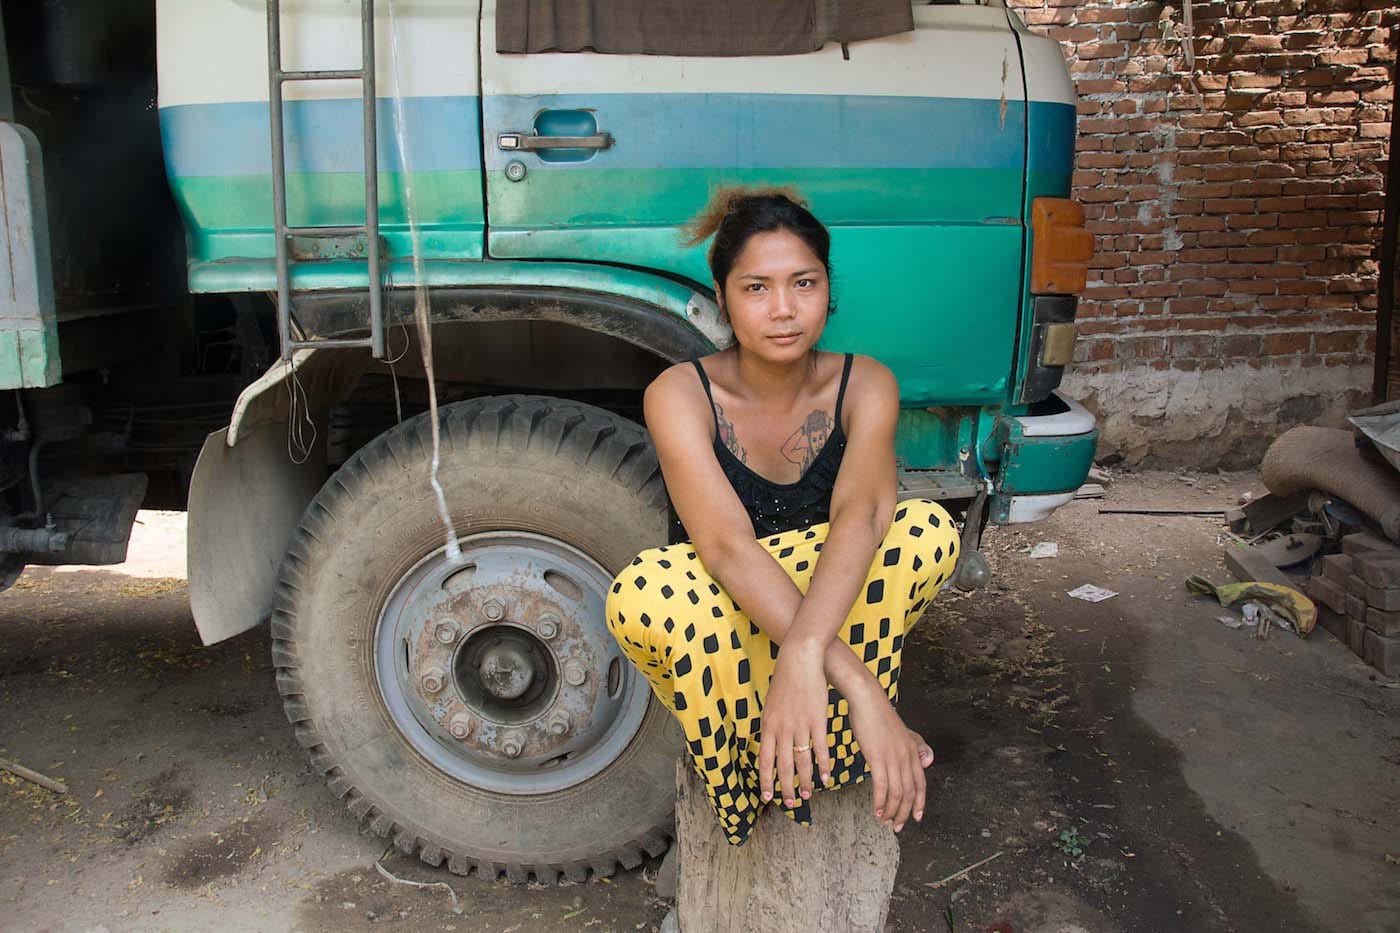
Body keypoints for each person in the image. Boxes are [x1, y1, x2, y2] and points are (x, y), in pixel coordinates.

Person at [605, 187, 961, 846]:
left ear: (829, 287)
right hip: (728, 618)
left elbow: (862, 514)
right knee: (646, 593)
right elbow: (726, 548)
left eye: (804, 282)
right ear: (722, 295)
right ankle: (758, 773)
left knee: (924, 531)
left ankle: (831, 738)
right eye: (757, 288)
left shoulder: (866, 383)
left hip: (830, 601)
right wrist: (852, 680)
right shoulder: (679, 394)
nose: (785, 309)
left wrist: (803, 649)